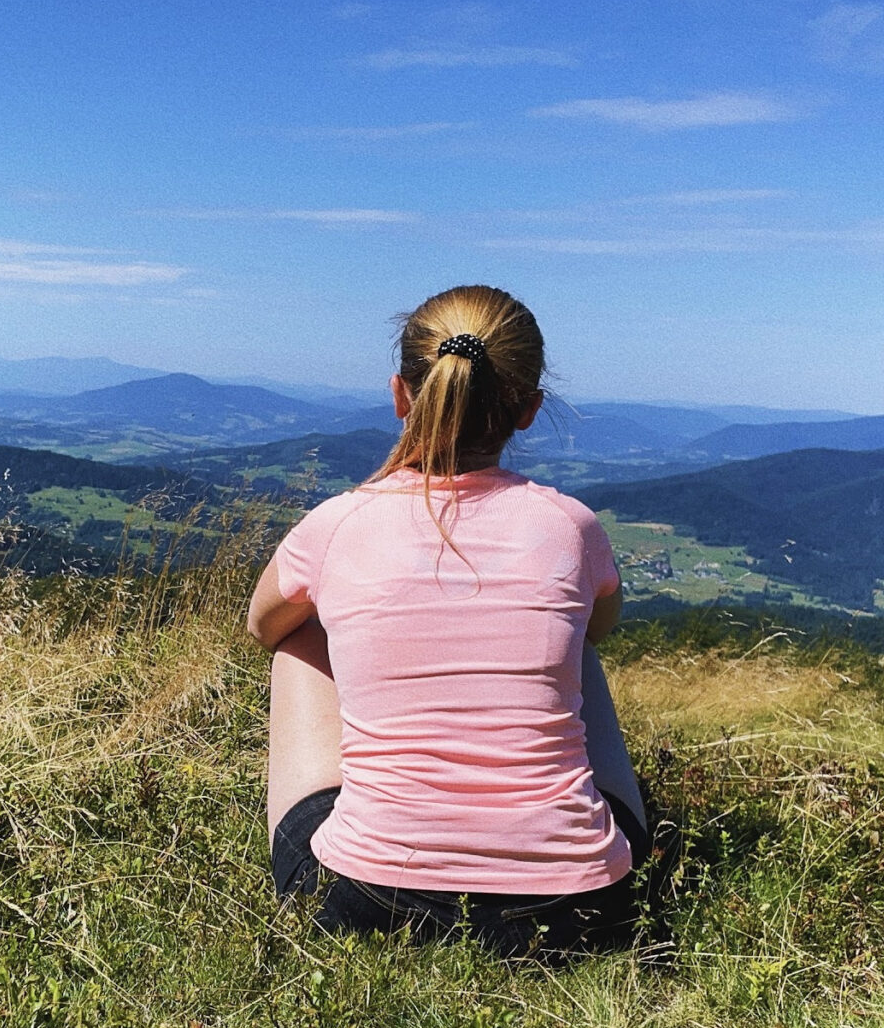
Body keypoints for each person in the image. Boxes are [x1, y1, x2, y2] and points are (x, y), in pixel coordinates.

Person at [246, 285, 649, 960]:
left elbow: (263, 626)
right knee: (577, 644)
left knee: (297, 637)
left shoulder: (337, 524)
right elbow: (600, 628)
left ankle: (385, 822)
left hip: (362, 901)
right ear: (529, 409)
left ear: (400, 395)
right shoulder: (572, 528)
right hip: (582, 912)